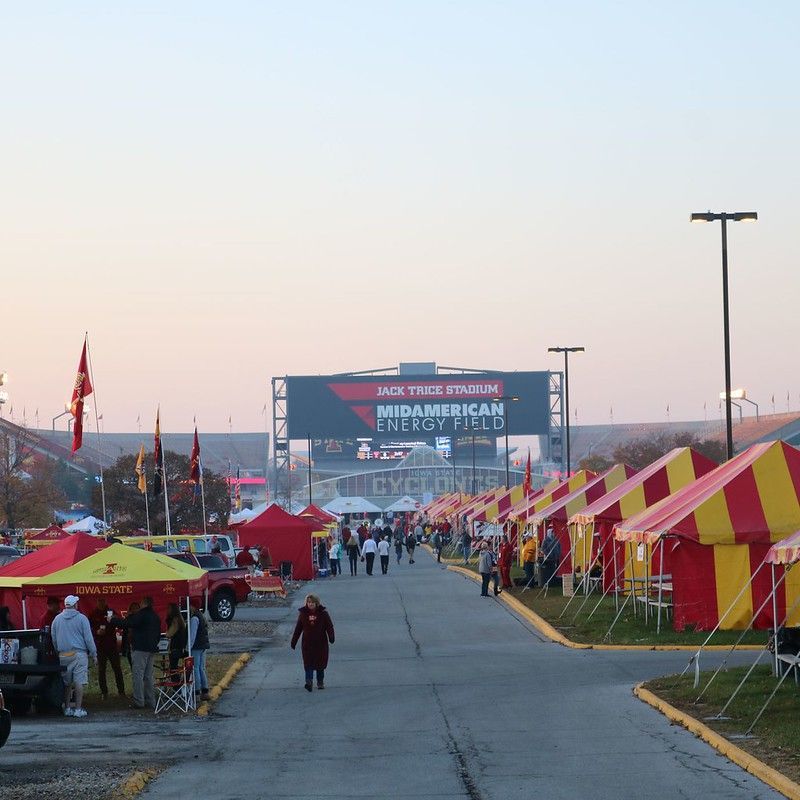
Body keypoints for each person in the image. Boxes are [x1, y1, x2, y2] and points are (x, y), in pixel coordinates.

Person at [50, 595, 97, 718]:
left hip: (63, 654)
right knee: (78, 681)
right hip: (79, 654)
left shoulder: (57, 619)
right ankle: (78, 708)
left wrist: (57, 651)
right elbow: (88, 638)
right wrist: (94, 653)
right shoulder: (82, 618)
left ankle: (67, 708)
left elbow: (53, 637)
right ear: (76, 605)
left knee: (67, 683)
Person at [112, 596, 160, 710]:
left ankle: (139, 701)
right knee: (148, 676)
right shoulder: (155, 616)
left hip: (140, 648)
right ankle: (151, 700)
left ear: (144, 603)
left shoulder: (141, 615)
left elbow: (128, 623)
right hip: (151, 648)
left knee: (138, 675)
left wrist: (113, 620)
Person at [290, 594, 335, 692]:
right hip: (307, 643)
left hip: (320, 643)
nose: (310, 604)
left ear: (316, 603)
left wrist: (331, 637)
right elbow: (298, 629)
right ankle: (309, 682)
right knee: (308, 663)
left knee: (320, 664)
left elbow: (329, 626)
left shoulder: (323, 614)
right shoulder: (303, 614)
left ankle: (320, 682)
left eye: (312, 602)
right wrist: (294, 641)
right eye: (308, 602)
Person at [89, 598, 125, 698]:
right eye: (99, 601)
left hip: (112, 645)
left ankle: (121, 691)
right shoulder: (93, 614)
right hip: (100, 646)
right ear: (96, 602)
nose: (101, 603)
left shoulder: (111, 612)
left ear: (106, 601)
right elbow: (89, 629)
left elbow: (120, 623)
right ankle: (104, 692)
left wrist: (114, 618)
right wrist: (96, 632)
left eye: (103, 601)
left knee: (117, 668)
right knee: (101, 669)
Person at [189, 600, 210, 701]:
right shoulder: (202, 617)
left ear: (193, 607)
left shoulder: (194, 618)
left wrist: (188, 647)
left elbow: (192, 636)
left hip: (196, 646)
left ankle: (196, 691)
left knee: (195, 668)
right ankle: (205, 690)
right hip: (203, 646)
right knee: (201, 668)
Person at [165, 603, 188, 671]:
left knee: (173, 668)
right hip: (180, 647)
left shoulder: (175, 620)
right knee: (174, 667)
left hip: (176, 648)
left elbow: (169, 634)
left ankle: (175, 680)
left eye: (169, 609)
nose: (167, 610)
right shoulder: (180, 619)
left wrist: (166, 633)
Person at [120, 601, 140, 668]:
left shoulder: (141, 618)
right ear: (130, 610)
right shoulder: (128, 619)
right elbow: (123, 629)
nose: (135, 610)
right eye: (133, 608)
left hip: (140, 647)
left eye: (137, 608)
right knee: (134, 667)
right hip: (130, 646)